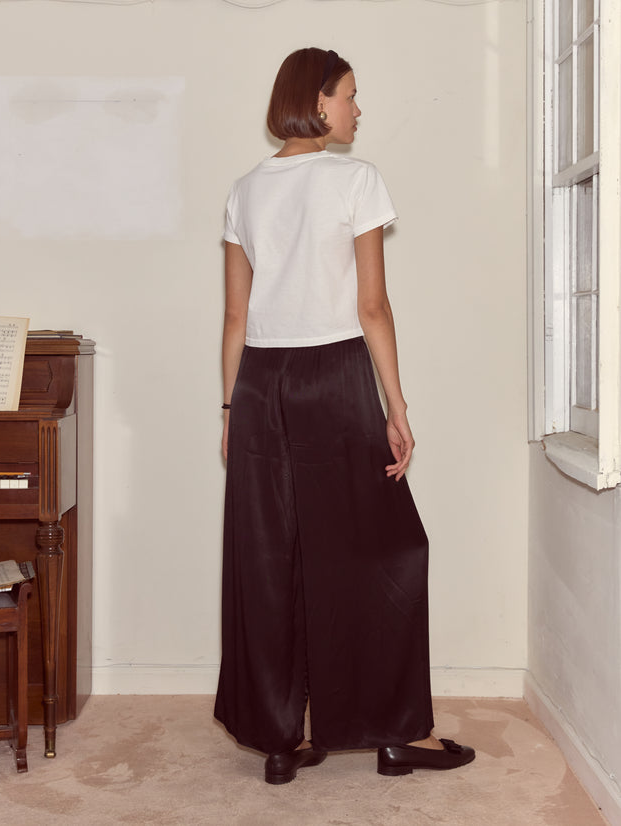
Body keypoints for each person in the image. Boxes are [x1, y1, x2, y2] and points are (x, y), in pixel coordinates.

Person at [214, 47, 475, 785]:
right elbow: (371, 307)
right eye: (351, 96)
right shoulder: (356, 181)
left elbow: (236, 316)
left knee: (271, 559)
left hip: (263, 382)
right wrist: (397, 406)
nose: (359, 110)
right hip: (332, 376)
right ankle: (389, 736)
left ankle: (277, 742)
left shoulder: (243, 189)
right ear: (318, 100)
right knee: (380, 550)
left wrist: (233, 407)